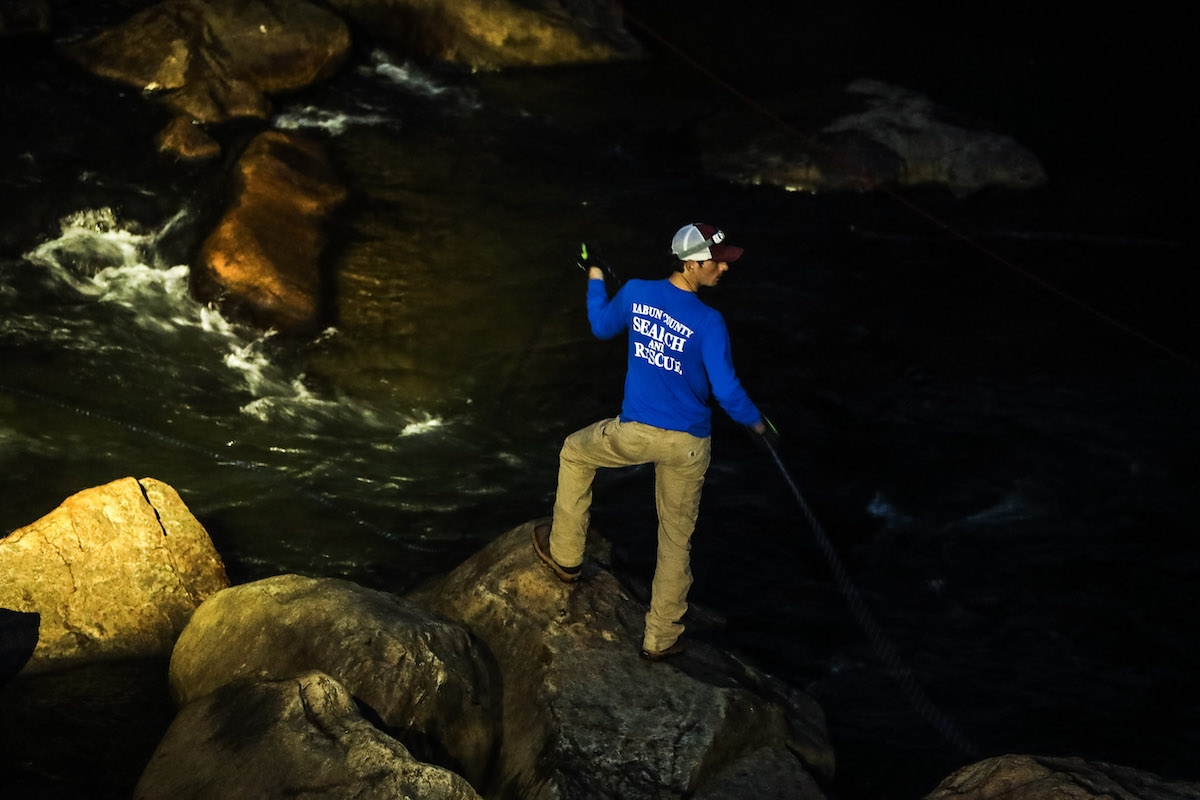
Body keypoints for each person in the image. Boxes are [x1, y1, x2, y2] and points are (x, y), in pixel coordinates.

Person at [533, 222, 767, 660]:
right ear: (691, 264)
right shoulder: (709, 321)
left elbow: (601, 326)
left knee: (575, 452)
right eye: (717, 262)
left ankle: (565, 557)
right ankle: (661, 637)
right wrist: (757, 425)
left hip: (634, 435)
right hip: (688, 446)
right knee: (676, 540)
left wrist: (595, 274)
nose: (723, 268)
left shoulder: (637, 292)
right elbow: (726, 390)